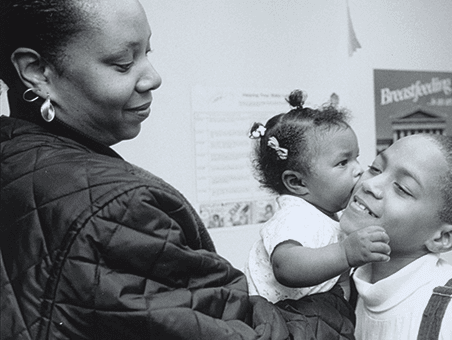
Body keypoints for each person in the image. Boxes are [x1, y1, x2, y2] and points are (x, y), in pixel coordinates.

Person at [0, 1, 355, 339]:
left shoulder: (14, 156)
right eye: (123, 63)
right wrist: (339, 301)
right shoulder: (116, 209)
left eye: (147, 53)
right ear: (37, 72)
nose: (152, 78)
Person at [340, 133, 452, 340]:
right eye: (375, 168)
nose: (371, 184)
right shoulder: (343, 287)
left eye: (402, 189)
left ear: (443, 238)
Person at [244, 90, 391, 303]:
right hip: (274, 322)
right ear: (297, 182)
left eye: (356, 158)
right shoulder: (295, 216)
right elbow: (285, 266)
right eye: (343, 163)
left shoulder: (327, 214)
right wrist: (345, 254)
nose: (358, 170)